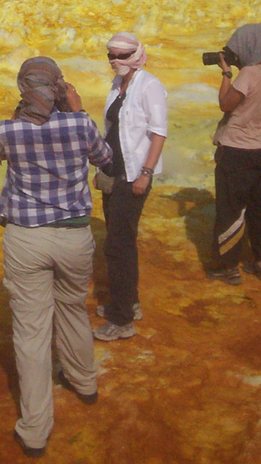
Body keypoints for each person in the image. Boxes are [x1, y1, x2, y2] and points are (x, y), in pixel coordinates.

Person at [0, 57, 112, 456]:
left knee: (30, 331)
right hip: (74, 236)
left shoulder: (7, 130)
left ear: (23, 89)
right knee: (74, 308)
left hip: (26, 239)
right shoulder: (79, 124)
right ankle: (84, 382)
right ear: (58, 86)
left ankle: (36, 429)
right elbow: (105, 158)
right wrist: (77, 110)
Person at [94, 31, 167, 341]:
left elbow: (159, 132)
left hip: (134, 175)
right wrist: (101, 168)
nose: (115, 61)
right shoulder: (117, 84)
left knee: (117, 246)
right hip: (114, 172)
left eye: (122, 55)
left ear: (136, 54)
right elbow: (111, 130)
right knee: (121, 240)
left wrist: (146, 173)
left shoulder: (149, 86)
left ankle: (122, 319)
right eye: (111, 55)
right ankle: (129, 301)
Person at [206, 23, 261, 285]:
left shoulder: (249, 73)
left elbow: (225, 103)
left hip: (237, 153)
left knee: (230, 210)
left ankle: (229, 267)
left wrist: (227, 73)